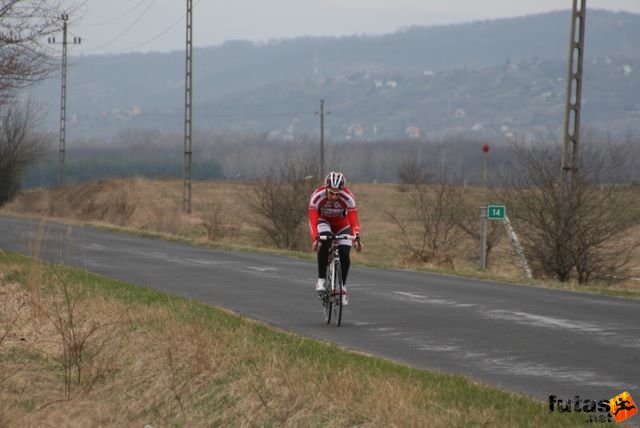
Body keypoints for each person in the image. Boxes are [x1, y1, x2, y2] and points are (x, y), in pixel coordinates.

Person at [308, 171, 362, 306]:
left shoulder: (348, 197)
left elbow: (354, 220)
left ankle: (342, 287)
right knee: (325, 241)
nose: (334, 196)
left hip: (341, 224)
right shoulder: (317, 196)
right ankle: (321, 280)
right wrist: (315, 239)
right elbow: (312, 220)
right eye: (331, 193)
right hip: (323, 222)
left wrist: (356, 239)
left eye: (337, 194)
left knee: (344, 251)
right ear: (326, 188)